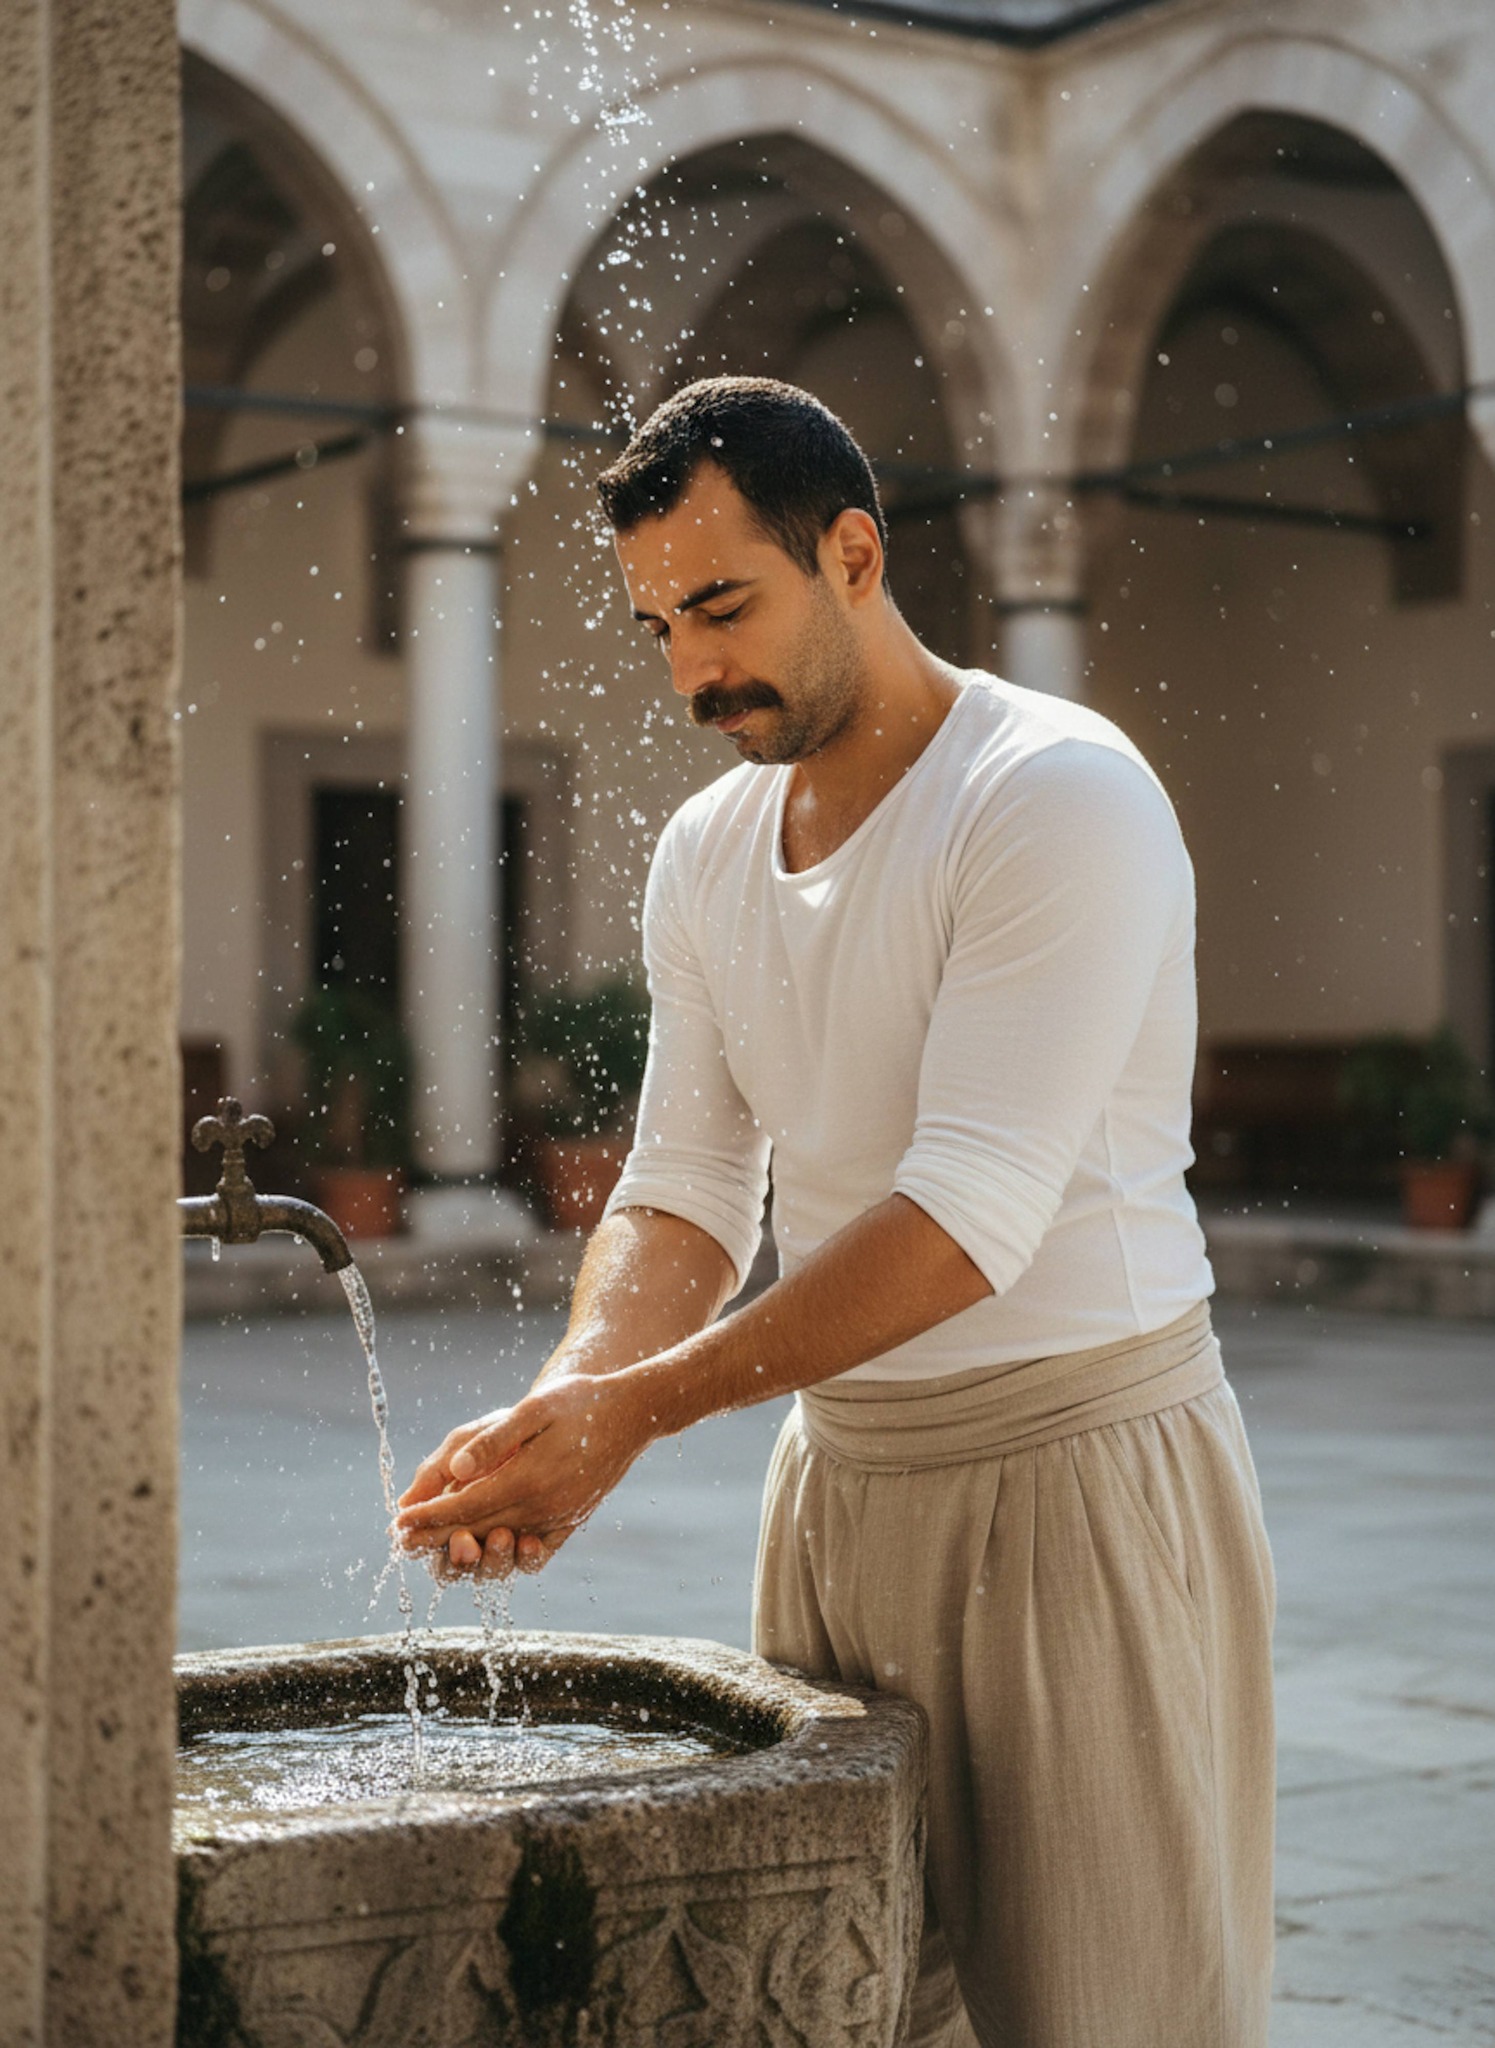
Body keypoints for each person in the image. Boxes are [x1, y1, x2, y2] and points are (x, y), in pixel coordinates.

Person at [396, 376, 1276, 2048]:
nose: (691, 673)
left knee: (1113, 2016)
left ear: (855, 553)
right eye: (658, 625)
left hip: (1079, 1480)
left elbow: (969, 1215)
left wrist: (636, 1416)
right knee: (847, 2009)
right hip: (839, 1490)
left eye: (723, 608)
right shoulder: (704, 850)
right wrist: (573, 1398)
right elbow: (687, 1184)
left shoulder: (1053, 793)